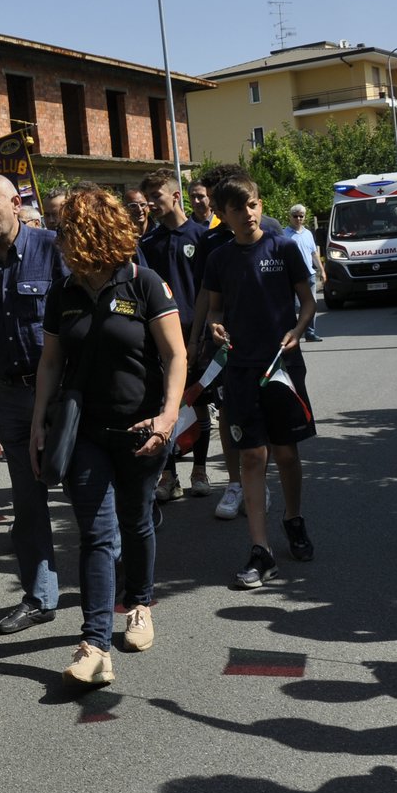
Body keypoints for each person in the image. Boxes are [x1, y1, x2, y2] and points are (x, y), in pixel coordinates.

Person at [30, 185, 184, 685]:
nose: (58, 241)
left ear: (91, 232)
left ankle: (139, 604)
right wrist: (38, 423)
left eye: (66, 232)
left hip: (142, 429)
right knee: (96, 534)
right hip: (87, 432)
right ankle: (95, 643)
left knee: (136, 520)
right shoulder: (64, 293)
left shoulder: (145, 284)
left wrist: (167, 418)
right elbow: (51, 362)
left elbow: (175, 356)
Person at [202, 175, 318, 589]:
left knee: (286, 453)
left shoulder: (283, 247)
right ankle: (260, 551)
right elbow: (215, 310)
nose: (249, 214)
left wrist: (298, 330)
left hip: (282, 367)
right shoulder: (218, 259)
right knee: (253, 457)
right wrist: (215, 328)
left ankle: (293, 518)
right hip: (240, 369)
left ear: (260, 203)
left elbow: (307, 301)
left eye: (252, 205)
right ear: (224, 216)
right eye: (238, 209)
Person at [0, 174, 60, 634]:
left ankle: (112, 582)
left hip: (62, 392)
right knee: (28, 501)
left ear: (17, 204)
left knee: (88, 492)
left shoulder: (54, 249)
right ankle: (40, 596)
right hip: (13, 396)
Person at [188, 164, 286, 521]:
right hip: (226, 347)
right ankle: (234, 483)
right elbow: (205, 294)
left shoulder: (271, 231)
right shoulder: (210, 241)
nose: (210, 208)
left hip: (267, 346)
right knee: (230, 413)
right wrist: (195, 338)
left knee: (268, 414)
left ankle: (258, 479)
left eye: (215, 200)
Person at [138, 168, 210, 500]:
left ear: (175, 196)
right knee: (164, 403)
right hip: (160, 338)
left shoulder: (201, 235)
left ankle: (200, 470)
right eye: (148, 197)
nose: (150, 203)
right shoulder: (148, 243)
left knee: (197, 401)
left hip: (194, 333)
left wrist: (198, 336)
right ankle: (168, 475)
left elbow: (209, 291)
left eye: (157, 196)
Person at [282, 205, 326, 342]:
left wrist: (322, 270)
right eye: (295, 216)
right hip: (292, 275)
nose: (298, 219)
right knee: (297, 305)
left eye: (301, 216)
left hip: (309, 274)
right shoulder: (284, 234)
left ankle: (310, 333)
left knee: (311, 304)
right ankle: (294, 331)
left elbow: (314, 253)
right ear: (290, 217)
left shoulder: (308, 233)